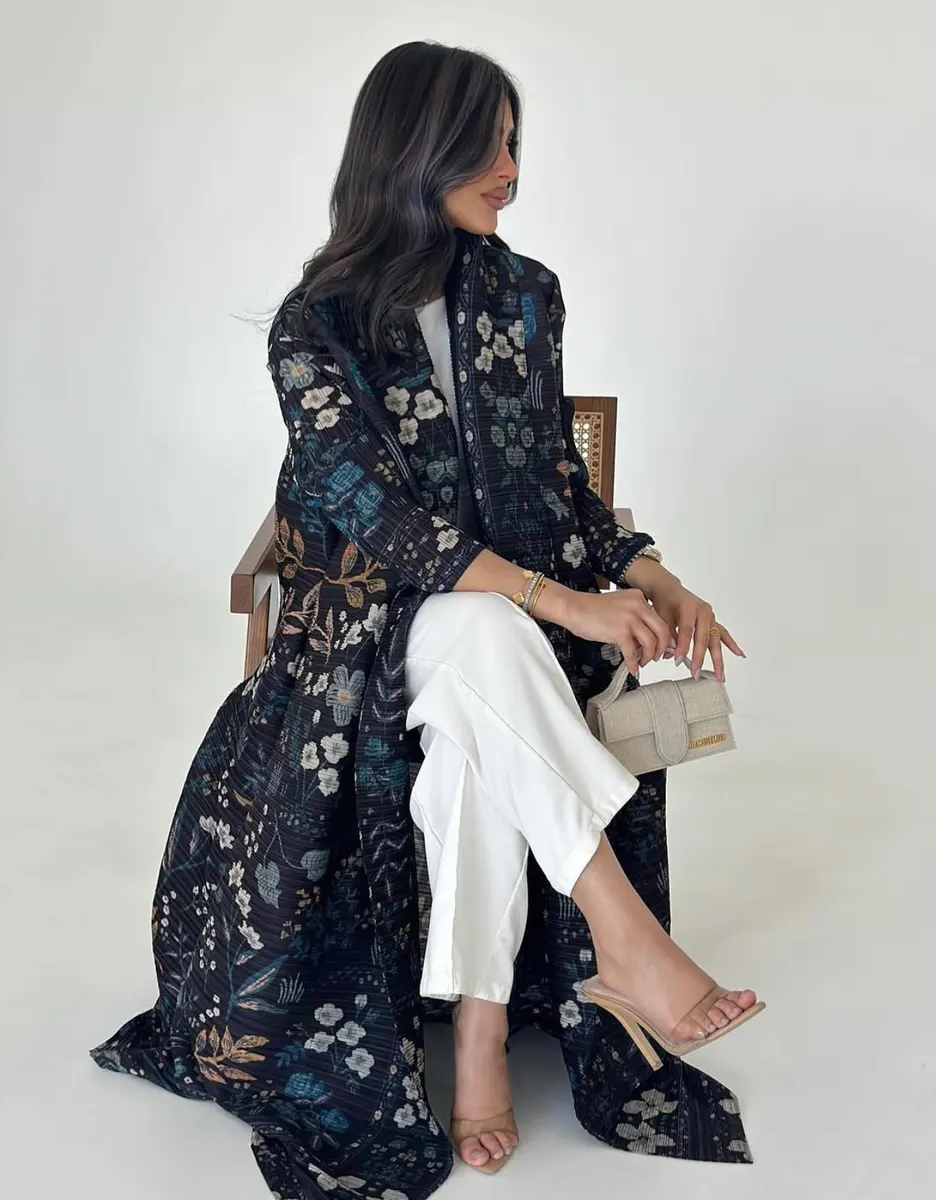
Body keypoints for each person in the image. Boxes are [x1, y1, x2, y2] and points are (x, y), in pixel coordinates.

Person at [93, 41, 764, 1197]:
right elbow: (381, 520)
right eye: (489, 145)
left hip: (489, 642)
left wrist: (651, 575)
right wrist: (571, 602)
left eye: (515, 143)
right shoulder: (315, 325)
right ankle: (621, 935)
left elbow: (557, 479)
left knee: (479, 698)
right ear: (415, 150)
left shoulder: (525, 294)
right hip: (355, 639)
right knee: (488, 641)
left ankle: (485, 1041)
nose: (512, 170)